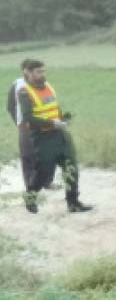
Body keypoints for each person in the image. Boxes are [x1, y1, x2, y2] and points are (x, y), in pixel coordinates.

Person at [16, 59, 92, 213]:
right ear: (28, 73)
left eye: (43, 71)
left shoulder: (49, 86)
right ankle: (30, 197)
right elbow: (28, 118)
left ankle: (73, 203)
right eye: (38, 72)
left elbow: (54, 108)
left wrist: (63, 118)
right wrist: (52, 123)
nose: (42, 74)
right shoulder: (24, 92)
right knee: (43, 173)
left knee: (71, 169)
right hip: (43, 139)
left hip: (60, 135)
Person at [6, 60, 42, 209]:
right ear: (25, 71)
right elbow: (10, 106)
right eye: (32, 70)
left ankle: (44, 183)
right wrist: (19, 123)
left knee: (42, 157)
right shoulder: (18, 85)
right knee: (28, 160)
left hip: (41, 126)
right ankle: (31, 197)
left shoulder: (41, 84)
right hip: (25, 127)